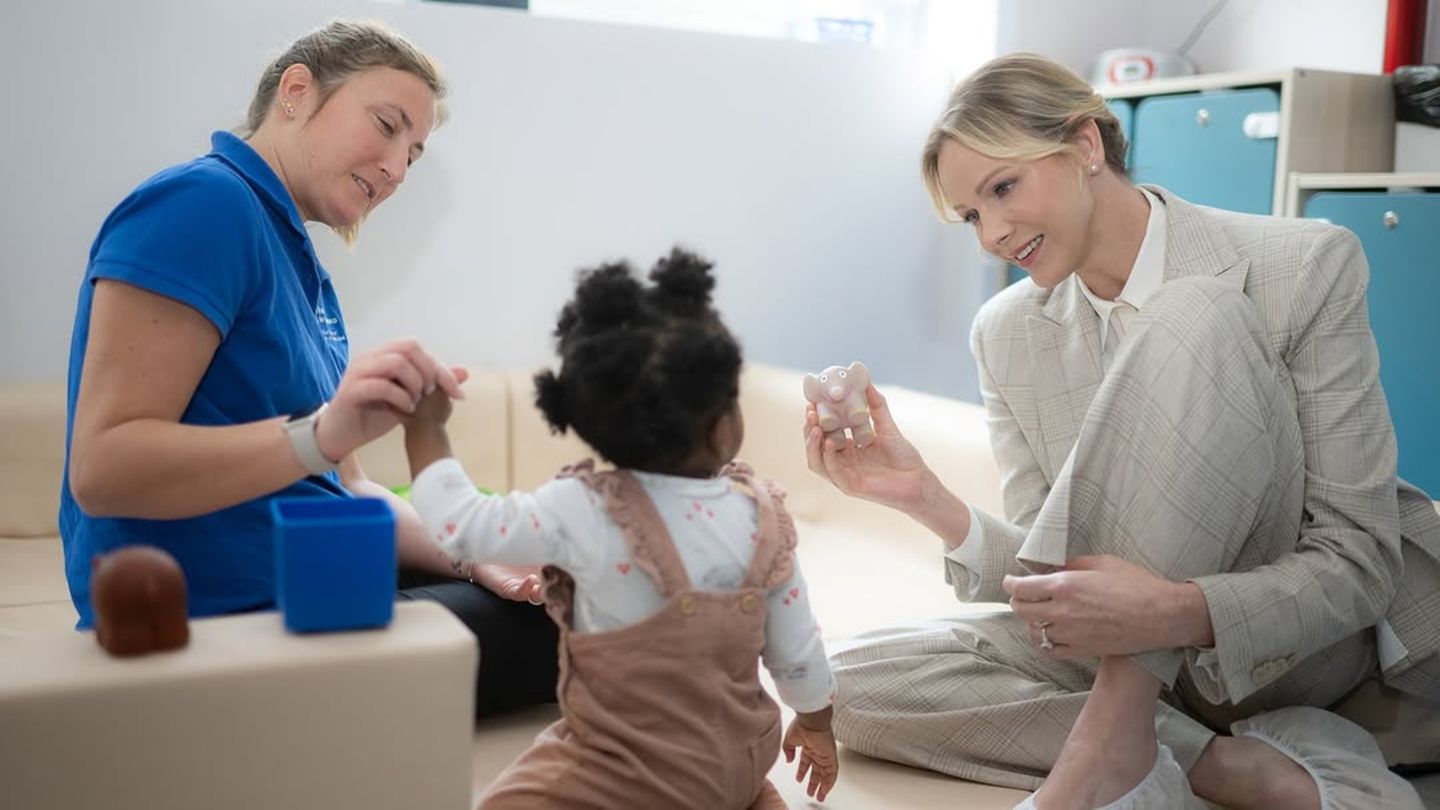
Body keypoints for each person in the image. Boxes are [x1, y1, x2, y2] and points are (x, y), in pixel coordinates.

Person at [805, 52, 1439, 809]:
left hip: (1286, 642)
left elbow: (1358, 563)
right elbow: (1056, 582)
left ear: (1084, 146)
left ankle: (1108, 748)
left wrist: (1171, 611)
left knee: (1194, 313)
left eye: (1003, 189)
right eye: (972, 215)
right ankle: (1210, 765)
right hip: (1135, 668)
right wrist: (926, 498)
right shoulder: (1005, 334)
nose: (992, 235)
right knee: (840, 680)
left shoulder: (1303, 264)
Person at [60, 19, 557, 717]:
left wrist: (474, 553)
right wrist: (322, 431)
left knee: (576, 591)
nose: (394, 169)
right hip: (229, 623)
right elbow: (103, 469)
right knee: (607, 622)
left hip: (317, 589)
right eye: (386, 126)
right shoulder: (203, 205)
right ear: (297, 90)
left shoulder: (300, 267)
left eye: (412, 155)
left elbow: (345, 486)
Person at [399, 249, 840, 808]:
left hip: (626, 772)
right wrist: (816, 723)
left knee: (510, 795)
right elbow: (798, 648)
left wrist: (426, 430)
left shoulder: (583, 509)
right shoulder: (761, 515)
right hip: (736, 762)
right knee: (730, 778)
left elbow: (461, 527)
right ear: (721, 424)